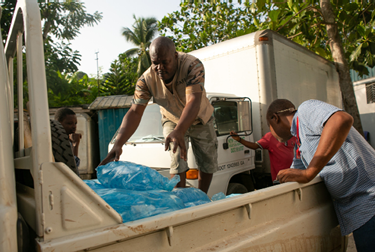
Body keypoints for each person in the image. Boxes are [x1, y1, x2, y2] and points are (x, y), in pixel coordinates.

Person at [99, 36, 218, 194]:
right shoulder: (145, 80)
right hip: (171, 120)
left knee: (207, 162)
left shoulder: (192, 65)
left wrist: (181, 130)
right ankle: (179, 199)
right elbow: (135, 112)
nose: (160, 68)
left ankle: (202, 197)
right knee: (177, 159)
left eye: (165, 62)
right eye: (155, 63)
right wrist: (118, 144)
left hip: (200, 117)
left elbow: (193, 101)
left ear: (175, 56)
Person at [267, 98, 375, 252]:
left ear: (275, 118)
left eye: (269, 127)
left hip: (369, 200)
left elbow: (341, 120)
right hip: (359, 212)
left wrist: (309, 172)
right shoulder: (299, 142)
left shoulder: (305, 110)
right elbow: (291, 174)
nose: (271, 134)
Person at [230, 131, 296, 182]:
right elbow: (254, 146)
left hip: (294, 175)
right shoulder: (270, 136)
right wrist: (239, 139)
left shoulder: (292, 135)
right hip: (280, 178)